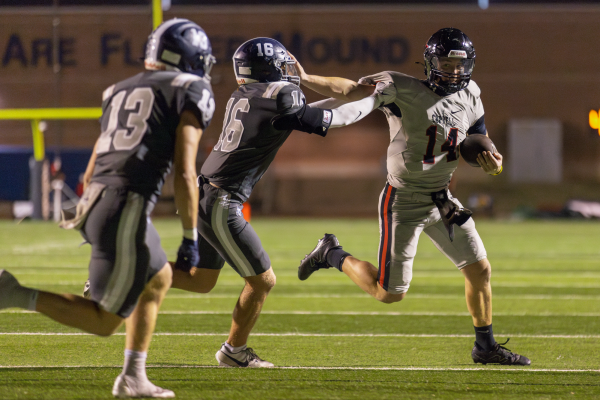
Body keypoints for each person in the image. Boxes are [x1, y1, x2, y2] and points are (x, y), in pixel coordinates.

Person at [0, 18, 216, 398]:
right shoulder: (191, 88)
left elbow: (99, 153)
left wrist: (88, 204)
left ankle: (134, 376)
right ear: (189, 56)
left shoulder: (119, 89)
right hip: (126, 205)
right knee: (104, 321)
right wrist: (189, 237)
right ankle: (13, 293)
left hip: (100, 198)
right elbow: (184, 172)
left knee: (159, 277)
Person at [295, 28, 531, 366]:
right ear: (430, 63)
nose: (453, 71)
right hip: (403, 200)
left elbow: (478, 136)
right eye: (445, 64)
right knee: (389, 293)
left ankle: (485, 347)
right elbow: (349, 90)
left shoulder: (472, 93)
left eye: (459, 65)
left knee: (480, 270)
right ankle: (332, 254)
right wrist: (304, 78)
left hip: (443, 199)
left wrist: (492, 161)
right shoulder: (400, 88)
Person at [167, 37, 394, 368]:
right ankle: (234, 351)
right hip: (220, 200)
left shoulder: (246, 94)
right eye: (283, 66)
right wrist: (374, 101)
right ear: (270, 69)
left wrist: (362, 95)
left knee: (201, 280)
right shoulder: (280, 95)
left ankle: (130, 272)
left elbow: (310, 111)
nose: (290, 72)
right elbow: (331, 120)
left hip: (208, 194)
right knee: (263, 280)